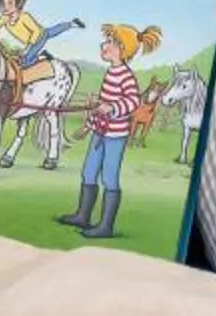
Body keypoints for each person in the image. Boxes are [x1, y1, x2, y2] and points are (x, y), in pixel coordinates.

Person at [60, 22, 162, 237]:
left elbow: (133, 101)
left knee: (109, 177)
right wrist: (88, 127)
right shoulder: (111, 73)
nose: (104, 45)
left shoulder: (125, 75)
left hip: (115, 136)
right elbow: (101, 108)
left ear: (122, 49)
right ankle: (83, 216)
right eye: (106, 41)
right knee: (88, 172)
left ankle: (105, 226)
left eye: (110, 42)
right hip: (99, 132)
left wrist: (114, 107)